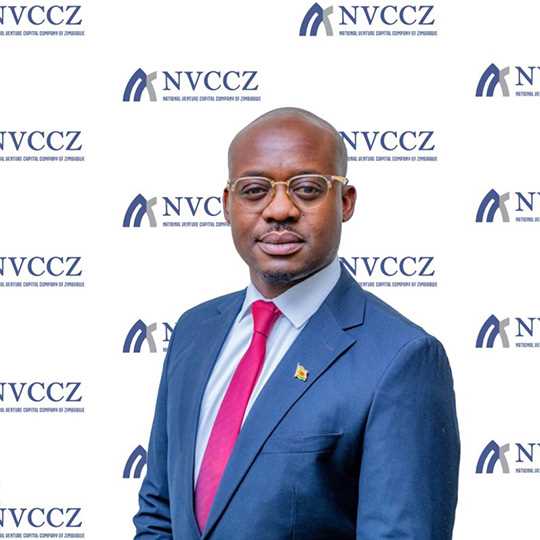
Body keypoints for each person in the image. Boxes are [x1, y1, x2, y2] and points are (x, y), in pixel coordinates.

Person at [133, 107, 460, 540]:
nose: (280, 210)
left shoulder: (401, 359)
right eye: (255, 191)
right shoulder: (194, 332)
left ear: (345, 201)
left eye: (307, 189)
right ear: (228, 204)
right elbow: (160, 515)